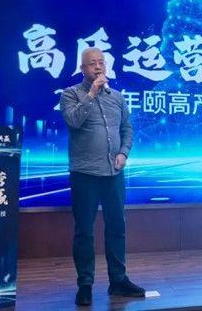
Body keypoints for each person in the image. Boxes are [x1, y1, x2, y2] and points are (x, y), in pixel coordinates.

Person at [59, 47, 145, 306]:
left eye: (101, 62)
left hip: (113, 173)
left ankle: (118, 280)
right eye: (92, 63)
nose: (97, 67)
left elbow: (127, 128)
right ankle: (85, 284)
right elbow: (73, 121)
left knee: (117, 227)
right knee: (84, 231)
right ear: (82, 68)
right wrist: (92, 94)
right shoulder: (70, 94)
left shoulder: (117, 98)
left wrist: (124, 153)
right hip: (84, 173)